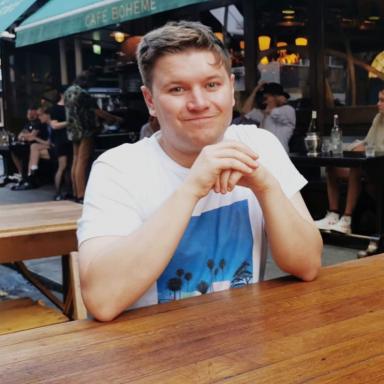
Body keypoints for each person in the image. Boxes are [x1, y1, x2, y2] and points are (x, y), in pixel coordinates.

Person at [78, 21, 322, 321]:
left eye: (211, 85)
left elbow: (308, 264)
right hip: (148, 357)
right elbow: (102, 300)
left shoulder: (259, 146)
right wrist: (190, 189)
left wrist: (266, 186)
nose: (199, 102)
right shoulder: (118, 168)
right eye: (177, 89)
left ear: (231, 90)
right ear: (151, 101)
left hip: (245, 351)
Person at [315, 87, 384, 256]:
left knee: (355, 168)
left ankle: (347, 219)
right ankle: (333, 215)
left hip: (379, 168)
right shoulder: (378, 118)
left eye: (382, 100)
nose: (378, 104)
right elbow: (367, 143)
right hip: (371, 167)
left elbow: (376, 148)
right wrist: (342, 148)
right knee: (332, 166)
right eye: (379, 99)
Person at [64, 71, 122, 203]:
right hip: (85, 130)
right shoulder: (84, 94)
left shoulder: (68, 91)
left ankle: (75, 191)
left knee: (75, 160)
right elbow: (97, 111)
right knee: (83, 161)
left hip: (72, 130)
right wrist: (115, 118)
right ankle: (81, 194)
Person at [241, 82, 296, 152]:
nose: (265, 101)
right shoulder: (264, 114)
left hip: (280, 155)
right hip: (263, 154)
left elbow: (273, 112)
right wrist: (255, 90)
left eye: (266, 97)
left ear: (276, 97)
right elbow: (245, 111)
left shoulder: (288, 110)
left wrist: (275, 101)